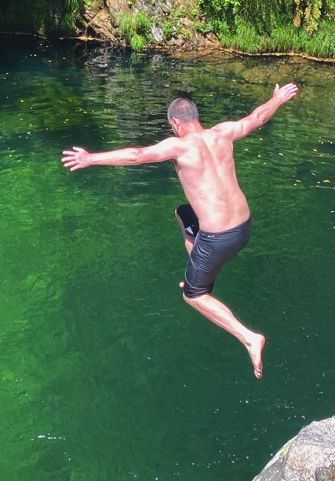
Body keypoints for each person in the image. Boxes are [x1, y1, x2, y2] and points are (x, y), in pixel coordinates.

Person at [61, 84, 298, 377]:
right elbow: (257, 118)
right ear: (196, 116)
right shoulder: (222, 132)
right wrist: (276, 99)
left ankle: (249, 337)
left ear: (175, 123)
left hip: (218, 240)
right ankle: (197, 267)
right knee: (183, 213)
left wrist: (90, 158)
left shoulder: (179, 146)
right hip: (244, 229)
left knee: (193, 295)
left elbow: (137, 155)